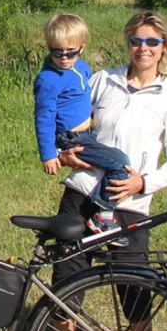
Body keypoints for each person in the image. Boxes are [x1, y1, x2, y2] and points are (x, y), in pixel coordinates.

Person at [50, 10, 167, 331]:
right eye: (136, 40)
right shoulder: (102, 80)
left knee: (135, 294)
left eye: (151, 41)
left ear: (164, 47)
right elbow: (72, 125)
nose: (142, 48)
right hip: (81, 195)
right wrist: (67, 154)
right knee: (66, 286)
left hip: (130, 207)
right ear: (126, 43)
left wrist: (142, 183)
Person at [33, 13, 130, 233]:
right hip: (72, 138)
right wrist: (48, 154)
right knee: (120, 162)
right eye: (57, 52)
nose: (64, 58)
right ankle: (103, 215)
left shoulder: (83, 68)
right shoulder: (48, 79)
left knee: (109, 162)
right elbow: (43, 118)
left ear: (82, 48)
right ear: (49, 47)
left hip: (88, 132)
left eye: (71, 52)